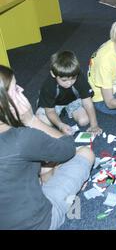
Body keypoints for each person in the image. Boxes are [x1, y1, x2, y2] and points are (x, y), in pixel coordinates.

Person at [0, 65, 95, 229]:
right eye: (15, 88)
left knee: (44, 165)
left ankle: (47, 179)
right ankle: (73, 212)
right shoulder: (23, 138)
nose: (22, 89)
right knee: (85, 153)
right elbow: (68, 148)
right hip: (39, 222)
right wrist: (31, 120)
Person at [36, 51, 102, 136]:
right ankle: (60, 112)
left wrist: (94, 125)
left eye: (73, 78)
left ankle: (66, 110)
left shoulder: (77, 76)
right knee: (41, 120)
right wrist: (60, 125)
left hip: (72, 101)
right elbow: (50, 111)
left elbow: (88, 102)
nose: (69, 83)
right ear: (53, 74)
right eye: (64, 80)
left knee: (84, 121)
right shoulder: (48, 86)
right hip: (54, 104)